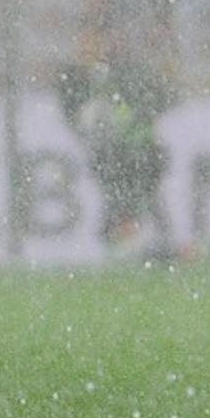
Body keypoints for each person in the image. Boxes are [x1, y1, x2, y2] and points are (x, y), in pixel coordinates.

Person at [55, 35, 178, 261]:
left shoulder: (122, 73)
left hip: (137, 153)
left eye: (94, 42)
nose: (90, 48)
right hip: (113, 155)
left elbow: (155, 100)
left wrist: (128, 116)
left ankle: (152, 248)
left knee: (136, 201)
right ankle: (142, 248)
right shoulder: (76, 79)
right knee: (126, 202)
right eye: (86, 43)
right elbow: (74, 115)